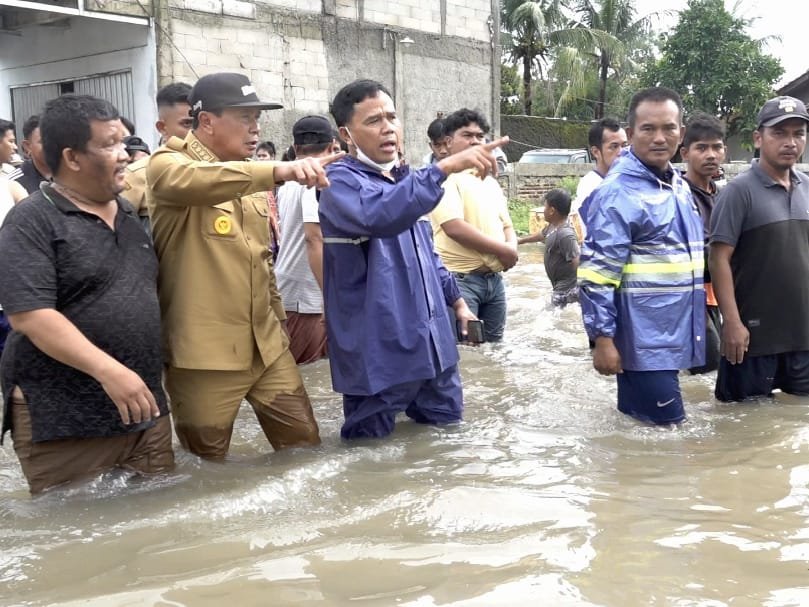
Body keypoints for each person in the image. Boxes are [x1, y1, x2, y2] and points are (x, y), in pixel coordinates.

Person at [146, 72, 338, 459]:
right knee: (206, 469)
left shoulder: (249, 176)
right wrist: (278, 170)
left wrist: (279, 321)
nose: (255, 129)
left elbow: (261, 258)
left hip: (266, 346)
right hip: (204, 356)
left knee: (305, 450)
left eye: (258, 119)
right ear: (207, 122)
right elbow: (197, 180)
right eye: (245, 118)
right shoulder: (167, 164)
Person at [0, 94, 174, 494]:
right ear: (73, 158)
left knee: (159, 525)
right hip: (66, 419)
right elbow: (30, 315)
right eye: (110, 144)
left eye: (126, 142)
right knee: (78, 529)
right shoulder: (32, 221)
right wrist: (110, 372)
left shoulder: (128, 213)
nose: (126, 154)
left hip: (144, 411)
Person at [320, 79, 505, 439]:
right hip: (378, 347)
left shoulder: (407, 179)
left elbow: (428, 253)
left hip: (433, 343)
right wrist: (443, 168)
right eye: (374, 121)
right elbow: (380, 216)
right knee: (369, 453)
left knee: (446, 440)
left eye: (392, 117)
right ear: (346, 133)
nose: (388, 127)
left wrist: (458, 302)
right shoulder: (338, 182)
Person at [578, 87, 705, 425]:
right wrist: (602, 339)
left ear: (682, 132)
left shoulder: (674, 183)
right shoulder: (619, 192)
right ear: (631, 134)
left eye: (669, 128)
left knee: (649, 439)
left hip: (672, 334)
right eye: (648, 129)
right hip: (645, 342)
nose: (660, 138)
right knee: (667, 438)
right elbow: (596, 273)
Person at [709, 95, 809, 402]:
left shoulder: (808, 186)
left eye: (798, 133)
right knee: (741, 427)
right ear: (758, 138)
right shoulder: (738, 192)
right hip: (752, 340)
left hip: (803, 338)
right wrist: (732, 323)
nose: (790, 142)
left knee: (795, 426)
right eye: (779, 133)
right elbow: (718, 259)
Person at [430, 108, 518, 342]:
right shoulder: (443, 179)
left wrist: (512, 249)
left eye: (480, 136)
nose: (475, 141)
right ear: (448, 142)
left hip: (494, 281)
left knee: (493, 354)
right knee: (466, 353)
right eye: (467, 135)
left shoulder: (489, 181)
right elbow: (454, 227)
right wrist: (503, 251)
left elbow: (508, 226)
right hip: (460, 281)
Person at [274, 115, 332, 364]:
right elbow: (313, 238)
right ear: (331, 146)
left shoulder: (287, 180)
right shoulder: (314, 179)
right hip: (307, 293)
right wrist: (329, 296)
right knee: (305, 370)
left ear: (295, 148)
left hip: (289, 284)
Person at [680, 111, 725, 375]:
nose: (711, 154)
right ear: (685, 153)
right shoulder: (679, 196)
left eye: (716, 147)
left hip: (718, 295)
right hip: (691, 298)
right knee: (707, 366)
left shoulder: (723, 195)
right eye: (702, 148)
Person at [122, 82, 193, 231]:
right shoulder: (136, 175)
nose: (194, 132)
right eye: (187, 124)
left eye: (199, 123)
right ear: (162, 127)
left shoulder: (214, 168)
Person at [518, 189, 579, 307]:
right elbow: (542, 234)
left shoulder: (565, 234)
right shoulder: (553, 227)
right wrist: (521, 240)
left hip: (566, 291)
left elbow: (576, 260)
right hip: (558, 286)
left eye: (544, 207)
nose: (543, 211)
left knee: (560, 320)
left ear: (552, 211)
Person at [572, 117, 628, 241]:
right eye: (614, 147)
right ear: (596, 152)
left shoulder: (627, 179)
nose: (621, 152)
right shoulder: (591, 186)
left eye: (624, 146)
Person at [9, 115, 51, 195]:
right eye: (44, 141)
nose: (51, 145)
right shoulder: (14, 183)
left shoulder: (72, 173)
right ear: (27, 146)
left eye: (55, 140)